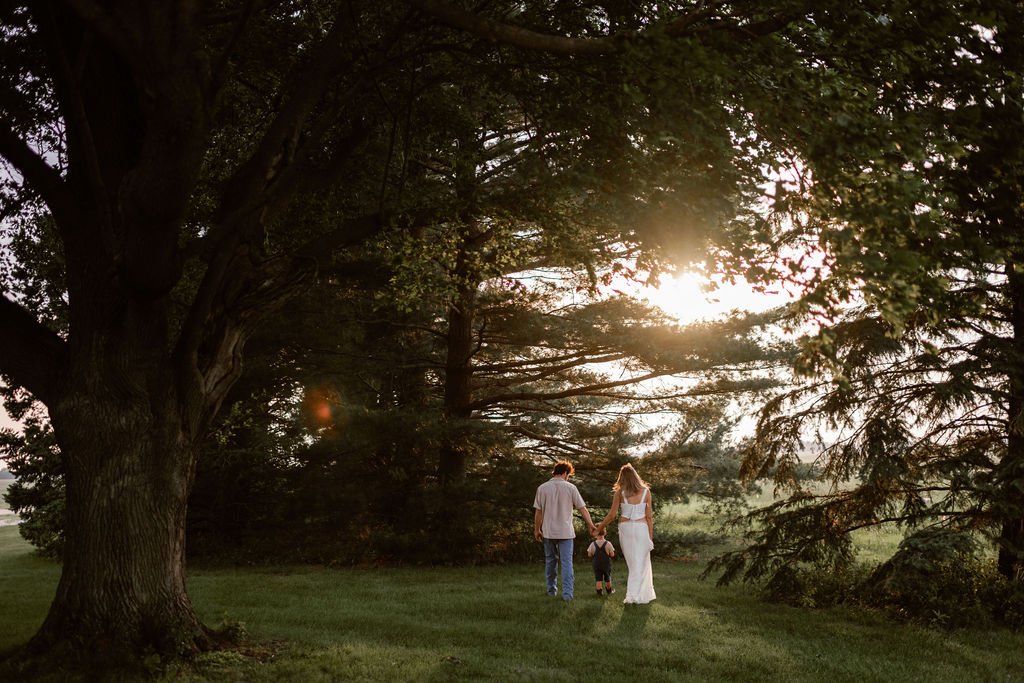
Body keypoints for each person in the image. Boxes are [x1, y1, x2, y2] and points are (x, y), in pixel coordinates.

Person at [533, 460, 597, 601]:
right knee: (567, 563)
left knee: (550, 562)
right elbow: (582, 509)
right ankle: (567, 595)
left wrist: (537, 529)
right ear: (564, 473)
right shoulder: (571, 488)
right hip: (566, 532)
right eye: (568, 475)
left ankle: (551, 591)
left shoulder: (542, 488)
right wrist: (591, 525)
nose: (568, 477)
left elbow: (538, 512)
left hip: (548, 532)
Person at [595, 463, 656, 604]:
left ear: (622, 477)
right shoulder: (646, 492)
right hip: (641, 528)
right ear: (636, 476)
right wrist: (650, 538)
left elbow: (611, 515)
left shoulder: (620, 492)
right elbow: (649, 517)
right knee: (641, 562)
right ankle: (637, 595)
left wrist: (600, 528)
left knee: (632, 563)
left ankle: (633, 596)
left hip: (626, 528)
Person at [586, 527, 616, 596]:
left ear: (595, 533)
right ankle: (609, 591)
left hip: (596, 564)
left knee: (598, 578)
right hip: (606, 564)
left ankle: (599, 593)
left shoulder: (593, 544)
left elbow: (589, 554)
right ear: (605, 533)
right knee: (607, 577)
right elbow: (612, 554)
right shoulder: (608, 543)